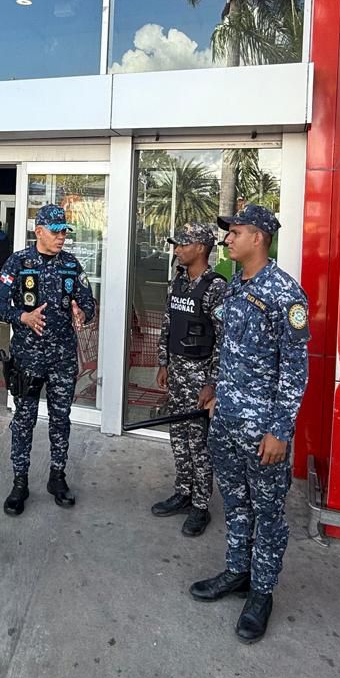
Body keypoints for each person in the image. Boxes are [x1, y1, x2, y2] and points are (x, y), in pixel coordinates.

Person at [189, 204, 309, 644]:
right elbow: (233, 348)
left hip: (263, 431)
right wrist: (215, 387)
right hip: (227, 421)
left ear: (258, 237)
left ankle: (261, 593)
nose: (227, 239)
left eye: (234, 232)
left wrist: (280, 430)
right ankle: (237, 572)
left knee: (268, 513)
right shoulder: (236, 287)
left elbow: (296, 370)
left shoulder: (285, 294)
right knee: (236, 505)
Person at [0, 203, 96, 515]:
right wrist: (22, 316)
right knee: (24, 420)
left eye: (65, 232)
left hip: (63, 358)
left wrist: (83, 312)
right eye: (56, 232)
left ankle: (57, 477)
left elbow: (89, 300)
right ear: (39, 232)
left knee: (61, 420)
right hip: (27, 359)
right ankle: (19, 482)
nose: (62, 237)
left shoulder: (71, 265)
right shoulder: (18, 262)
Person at [152, 222, 227, 536]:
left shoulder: (216, 287)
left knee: (199, 444)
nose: (178, 249)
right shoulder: (178, 282)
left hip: (200, 379)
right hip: (178, 373)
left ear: (201, 248)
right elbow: (168, 324)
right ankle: (183, 491)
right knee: (178, 438)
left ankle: (200, 505)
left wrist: (212, 383)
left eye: (183, 244)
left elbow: (224, 339)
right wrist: (163, 362)